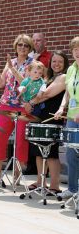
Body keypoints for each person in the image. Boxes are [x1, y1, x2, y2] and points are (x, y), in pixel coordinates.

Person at [0, 34, 33, 183]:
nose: (22, 48)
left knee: (20, 140)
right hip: (6, 105)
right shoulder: (10, 62)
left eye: (26, 45)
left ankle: (17, 174)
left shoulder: (33, 63)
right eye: (20, 45)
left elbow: (27, 85)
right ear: (15, 46)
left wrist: (13, 69)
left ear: (29, 48)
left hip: (22, 107)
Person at [24, 51, 69, 193]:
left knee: (51, 153)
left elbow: (47, 94)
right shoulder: (48, 77)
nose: (56, 64)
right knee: (38, 151)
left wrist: (31, 102)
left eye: (60, 61)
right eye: (54, 61)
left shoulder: (63, 77)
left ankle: (55, 186)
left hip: (53, 119)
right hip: (41, 118)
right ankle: (40, 182)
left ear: (65, 63)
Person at [55, 37, 79, 199]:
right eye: (75, 49)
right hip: (72, 117)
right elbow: (68, 92)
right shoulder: (71, 69)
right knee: (71, 154)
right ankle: (72, 189)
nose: (77, 52)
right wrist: (62, 106)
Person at [25, 32, 52, 175]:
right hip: (30, 101)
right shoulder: (30, 58)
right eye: (34, 41)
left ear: (44, 42)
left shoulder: (49, 57)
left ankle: (44, 171)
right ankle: (31, 167)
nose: (36, 43)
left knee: (42, 135)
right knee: (32, 134)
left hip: (42, 100)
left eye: (39, 40)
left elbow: (48, 78)